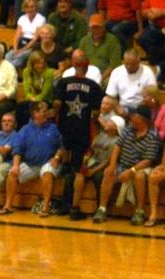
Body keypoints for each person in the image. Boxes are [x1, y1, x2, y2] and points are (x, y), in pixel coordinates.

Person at [92, 104, 162, 225]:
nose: (131, 116)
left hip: (141, 167)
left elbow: (147, 161)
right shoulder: (128, 129)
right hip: (123, 165)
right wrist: (112, 165)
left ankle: (139, 211)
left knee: (139, 176)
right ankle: (102, 209)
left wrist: (131, 171)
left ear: (141, 119)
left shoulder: (153, 136)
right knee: (109, 172)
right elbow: (117, 147)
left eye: (134, 115)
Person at [54, 50, 103, 216]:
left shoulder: (63, 83)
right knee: (78, 170)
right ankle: (74, 208)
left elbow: (57, 105)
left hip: (65, 129)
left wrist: (59, 122)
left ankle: (64, 205)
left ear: (74, 66)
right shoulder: (94, 86)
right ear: (87, 67)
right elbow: (96, 114)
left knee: (68, 169)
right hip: (83, 132)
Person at [0, 100, 63, 216]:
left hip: (47, 162)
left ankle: (45, 207)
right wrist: (16, 165)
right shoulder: (25, 130)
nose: (47, 113)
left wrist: (57, 158)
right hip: (30, 164)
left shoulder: (53, 128)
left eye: (46, 110)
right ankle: (7, 206)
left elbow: (62, 146)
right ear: (35, 113)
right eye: (43, 111)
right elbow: (17, 148)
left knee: (47, 172)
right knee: (12, 174)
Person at [70, 115, 125, 220]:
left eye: (110, 122)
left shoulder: (117, 141)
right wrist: (84, 162)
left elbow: (108, 161)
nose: (107, 122)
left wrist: (93, 171)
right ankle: (74, 208)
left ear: (116, 127)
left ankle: (101, 208)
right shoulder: (100, 135)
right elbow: (91, 151)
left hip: (103, 166)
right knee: (73, 175)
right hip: (92, 162)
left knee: (99, 177)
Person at [105, 49, 157, 114]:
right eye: (126, 64)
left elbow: (153, 96)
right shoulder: (117, 72)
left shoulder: (148, 72)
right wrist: (117, 108)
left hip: (142, 108)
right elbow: (110, 96)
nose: (129, 67)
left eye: (132, 64)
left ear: (139, 62)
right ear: (123, 61)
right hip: (122, 107)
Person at [78, 13, 121, 85]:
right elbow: (79, 62)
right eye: (93, 28)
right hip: (87, 75)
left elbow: (114, 65)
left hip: (105, 76)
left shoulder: (112, 40)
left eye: (98, 27)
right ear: (89, 29)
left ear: (104, 27)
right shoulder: (84, 41)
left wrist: (100, 78)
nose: (95, 30)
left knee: (110, 83)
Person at [5, 0, 46, 70]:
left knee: (20, 56)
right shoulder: (22, 18)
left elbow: (35, 38)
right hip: (21, 43)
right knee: (8, 56)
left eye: (32, 7)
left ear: (36, 7)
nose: (30, 9)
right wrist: (15, 49)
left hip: (32, 45)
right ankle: (9, 70)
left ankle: (7, 69)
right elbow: (17, 36)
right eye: (27, 7)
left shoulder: (41, 19)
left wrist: (22, 50)